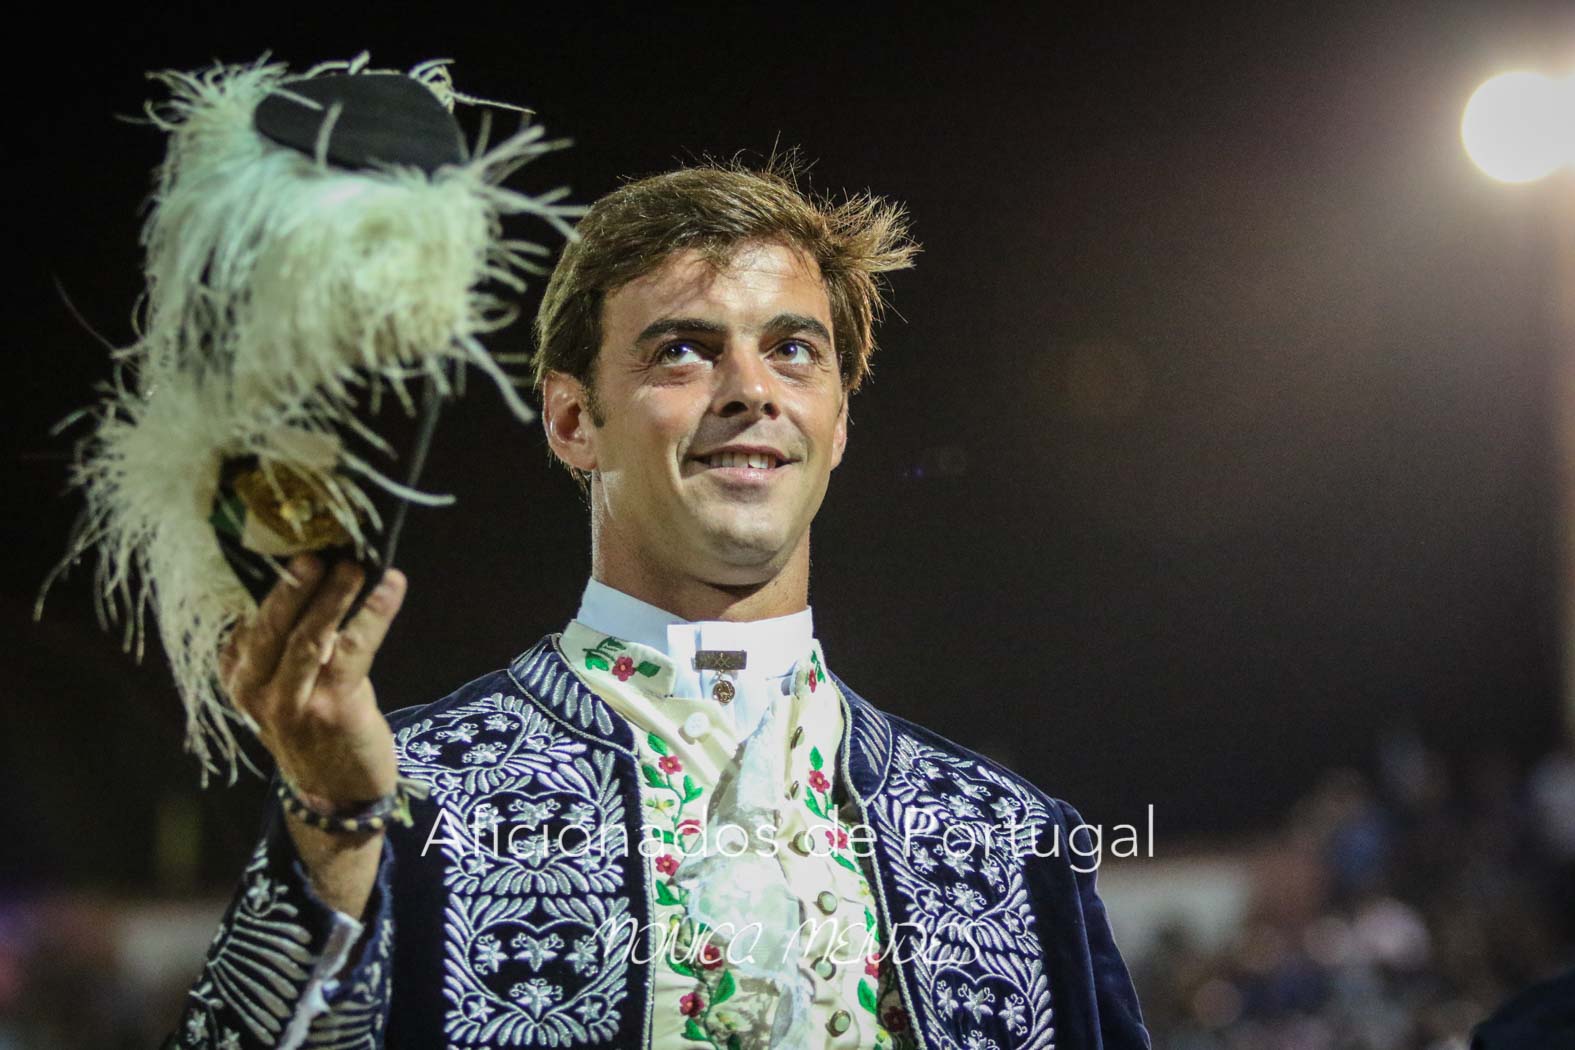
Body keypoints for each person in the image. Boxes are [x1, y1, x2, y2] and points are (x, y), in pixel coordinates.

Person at [167, 163, 1151, 1049]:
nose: (752, 390)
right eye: (683, 350)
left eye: (793, 350)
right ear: (571, 419)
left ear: (839, 422)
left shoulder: (1006, 838)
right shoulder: (409, 795)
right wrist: (336, 828)